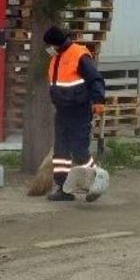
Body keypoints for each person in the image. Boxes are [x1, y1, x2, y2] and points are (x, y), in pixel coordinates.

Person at [43, 26, 106, 202]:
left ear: (56, 43)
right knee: (61, 152)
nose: (48, 48)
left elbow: (95, 79)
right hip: (63, 110)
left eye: (49, 45)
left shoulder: (79, 55)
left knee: (79, 150)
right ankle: (63, 188)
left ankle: (97, 178)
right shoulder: (56, 57)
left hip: (79, 110)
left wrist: (99, 100)